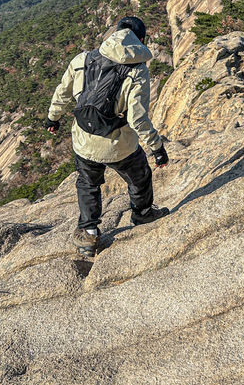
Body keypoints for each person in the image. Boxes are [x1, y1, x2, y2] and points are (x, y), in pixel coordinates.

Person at [45, 16, 169, 256]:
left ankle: (88, 233)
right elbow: (138, 119)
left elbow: (62, 92)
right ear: (141, 40)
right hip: (119, 144)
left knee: (88, 183)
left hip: (83, 139)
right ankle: (142, 214)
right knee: (139, 176)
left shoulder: (83, 59)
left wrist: (53, 118)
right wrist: (157, 147)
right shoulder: (138, 71)